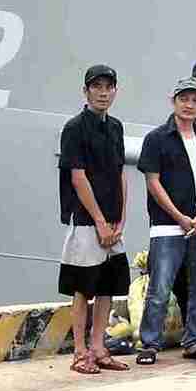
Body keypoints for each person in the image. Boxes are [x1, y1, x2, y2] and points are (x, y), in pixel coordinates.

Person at [138, 74, 196, 365]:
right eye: (184, 99)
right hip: (167, 224)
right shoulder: (156, 138)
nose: (189, 105)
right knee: (160, 286)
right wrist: (179, 216)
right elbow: (153, 181)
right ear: (173, 101)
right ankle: (150, 343)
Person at [58, 63, 131, 374]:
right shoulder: (75, 128)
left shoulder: (115, 127)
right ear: (85, 91)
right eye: (96, 87)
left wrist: (121, 219)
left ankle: (99, 347)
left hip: (112, 221)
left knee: (107, 286)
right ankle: (79, 351)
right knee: (83, 286)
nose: (103, 93)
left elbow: (120, 174)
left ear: (115, 91)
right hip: (88, 221)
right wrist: (100, 221)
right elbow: (78, 177)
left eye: (108, 87)